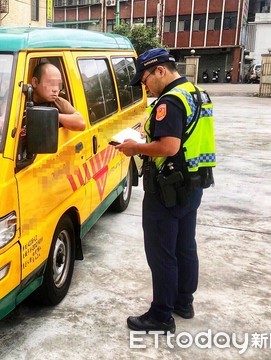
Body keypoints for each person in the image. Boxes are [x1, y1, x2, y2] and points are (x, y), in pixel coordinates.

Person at [115, 48, 216, 333]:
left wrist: (135, 148)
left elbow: (169, 147)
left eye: (145, 79)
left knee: (162, 252)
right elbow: (186, 137)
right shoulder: (196, 93)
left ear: (160, 70)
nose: (144, 85)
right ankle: (184, 302)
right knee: (185, 246)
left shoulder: (169, 102)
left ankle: (161, 315)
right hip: (193, 184)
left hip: (168, 188)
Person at [0, 63, 86, 133]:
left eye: (58, 85)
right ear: (35, 82)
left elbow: (81, 123)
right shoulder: (22, 96)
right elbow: (8, 100)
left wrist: (54, 115)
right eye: (51, 83)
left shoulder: (58, 102)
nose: (56, 89)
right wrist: (4, 116)